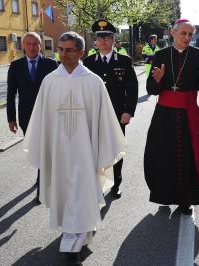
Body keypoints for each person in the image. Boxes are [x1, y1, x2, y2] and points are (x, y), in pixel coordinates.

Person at [23, 31, 126, 263]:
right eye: (60, 49)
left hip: (85, 152)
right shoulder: (50, 81)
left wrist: (101, 149)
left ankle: (73, 244)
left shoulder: (93, 82)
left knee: (82, 192)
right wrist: (45, 146)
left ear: (80, 52)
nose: (63, 54)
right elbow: (41, 119)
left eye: (68, 50)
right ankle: (76, 234)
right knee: (67, 193)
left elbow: (104, 121)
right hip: (59, 152)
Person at [144, 18, 199, 215]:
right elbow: (151, 90)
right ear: (172, 32)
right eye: (183, 33)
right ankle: (163, 195)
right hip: (163, 115)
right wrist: (157, 81)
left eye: (190, 34)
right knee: (161, 154)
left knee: (188, 155)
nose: (187, 37)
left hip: (188, 114)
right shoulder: (160, 55)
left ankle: (186, 200)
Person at [83, 20, 138, 199]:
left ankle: (116, 183)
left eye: (106, 37)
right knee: (95, 150)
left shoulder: (124, 60)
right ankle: (98, 183)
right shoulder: (88, 62)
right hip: (94, 116)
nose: (103, 41)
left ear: (113, 39)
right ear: (96, 41)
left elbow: (132, 88)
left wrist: (128, 111)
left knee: (116, 149)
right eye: (99, 38)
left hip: (117, 114)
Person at [7, 32, 58, 204]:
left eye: (35, 43)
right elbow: (10, 94)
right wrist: (11, 118)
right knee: (36, 148)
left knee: (44, 148)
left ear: (40, 45)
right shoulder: (15, 66)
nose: (32, 47)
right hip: (26, 115)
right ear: (23, 46)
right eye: (28, 44)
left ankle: (42, 188)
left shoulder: (51, 64)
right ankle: (41, 174)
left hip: (48, 114)